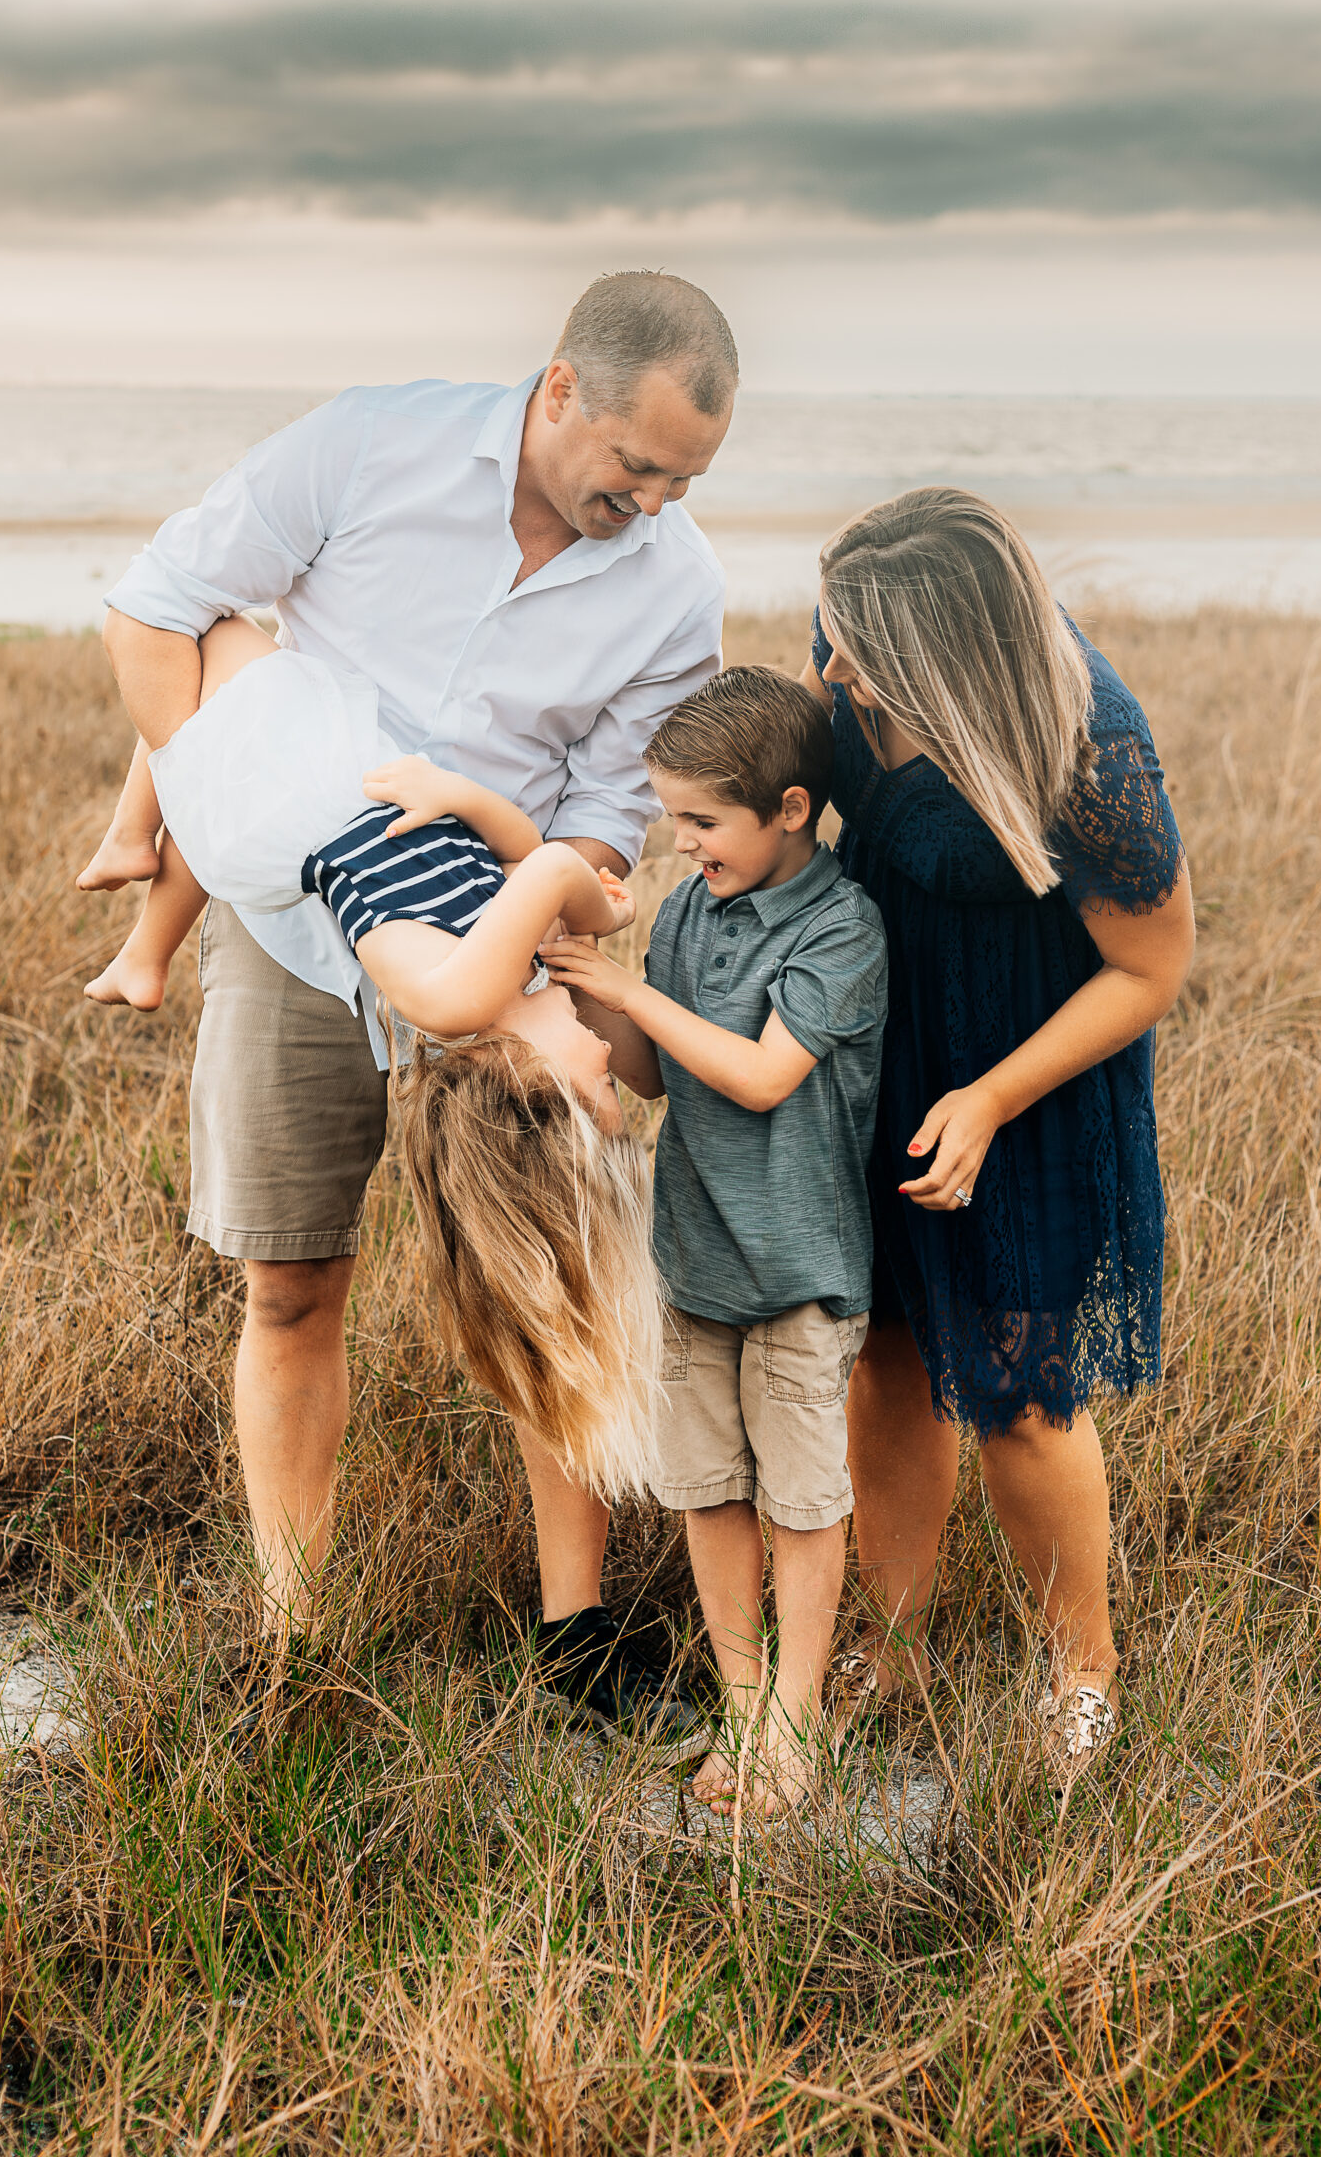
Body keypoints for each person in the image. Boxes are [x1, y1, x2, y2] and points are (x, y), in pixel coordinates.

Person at [86, 271, 733, 1753]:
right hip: (295, 930)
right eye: (632, 465)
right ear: (559, 386)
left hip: (508, 939)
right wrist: (240, 794)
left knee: (546, 1280)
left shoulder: (675, 586)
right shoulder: (368, 446)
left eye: (683, 480)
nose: (649, 500)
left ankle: (575, 1634)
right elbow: (155, 608)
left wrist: (520, 962)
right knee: (291, 1283)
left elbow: (601, 833)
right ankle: (290, 1631)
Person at [81, 608, 663, 1505]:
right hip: (370, 794)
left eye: (597, 1080)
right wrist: (460, 798)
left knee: (206, 648)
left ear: (528, 1082)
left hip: (309, 812)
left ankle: (133, 853)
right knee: (209, 681)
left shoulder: (461, 994)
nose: (602, 1051)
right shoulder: (506, 982)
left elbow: (548, 871)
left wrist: (601, 917)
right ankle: (141, 940)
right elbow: (520, 850)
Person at [802, 488, 1194, 1781]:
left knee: (1021, 1391)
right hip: (884, 1049)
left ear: (954, 654)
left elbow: (1146, 970)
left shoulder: (1090, 745)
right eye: (834, 630)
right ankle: (892, 1638)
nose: (834, 664)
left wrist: (988, 1100)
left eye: (861, 647)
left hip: (1024, 1077)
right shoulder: (845, 650)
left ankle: (1083, 1665)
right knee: (888, 1357)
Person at [547, 667, 888, 1815]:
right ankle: (741, 1705)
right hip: (690, 1255)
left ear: (788, 808)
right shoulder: (691, 909)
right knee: (708, 1489)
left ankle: (793, 1722)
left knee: (799, 1499)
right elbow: (652, 1076)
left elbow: (753, 1077)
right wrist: (585, 986)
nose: (678, 842)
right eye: (668, 816)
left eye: (701, 820)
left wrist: (628, 995)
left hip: (799, 1268)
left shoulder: (842, 927)